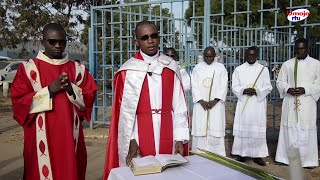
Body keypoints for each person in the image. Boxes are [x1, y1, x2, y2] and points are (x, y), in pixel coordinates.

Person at [103, 20, 189, 179]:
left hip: (168, 130)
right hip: (139, 134)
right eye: (144, 37)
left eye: (154, 35)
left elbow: (180, 106)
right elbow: (125, 114)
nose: (150, 40)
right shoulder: (128, 71)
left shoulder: (170, 66)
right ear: (137, 41)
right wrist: (131, 140)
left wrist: (179, 138)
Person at [10, 23, 97, 180]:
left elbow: (89, 97)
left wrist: (71, 90)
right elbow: (18, 102)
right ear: (42, 42)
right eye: (52, 41)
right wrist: (49, 90)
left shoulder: (77, 69)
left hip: (70, 134)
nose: (58, 45)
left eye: (62, 42)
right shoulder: (28, 69)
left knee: (69, 170)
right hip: (39, 134)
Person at [275, 38, 320, 168]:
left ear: (307, 48)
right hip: (290, 101)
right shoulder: (287, 64)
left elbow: (318, 83)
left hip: (307, 102)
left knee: (305, 129)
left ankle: (308, 161)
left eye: (302, 48)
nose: (299, 51)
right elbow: (280, 81)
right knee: (289, 129)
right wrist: (287, 88)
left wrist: (305, 89)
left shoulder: (316, 64)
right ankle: (285, 158)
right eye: (297, 49)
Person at [231, 46, 272, 166]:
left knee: (256, 128)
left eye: (253, 55)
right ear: (245, 55)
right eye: (249, 55)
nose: (251, 57)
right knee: (243, 127)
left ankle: (257, 155)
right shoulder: (239, 69)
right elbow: (234, 86)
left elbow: (268, 86)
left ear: (257, 55)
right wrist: (243, 90)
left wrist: (257, 91)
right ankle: (241, 153)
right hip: (244, 103)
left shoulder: (263, 70)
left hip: (257, 105)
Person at [191, 46, 228, 156]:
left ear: (214, 56)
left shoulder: (221, 68)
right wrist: (200, 100)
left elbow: (224, 85)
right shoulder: (197, 68)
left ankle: (217, 154)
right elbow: (194, 85)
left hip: (216, 105)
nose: (208, 59)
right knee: (200, 127)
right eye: (206, 56)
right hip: (200, 105)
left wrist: (215, 100)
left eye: (211, 56)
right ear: (203, 56)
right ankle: (199, 153)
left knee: (215, 125)